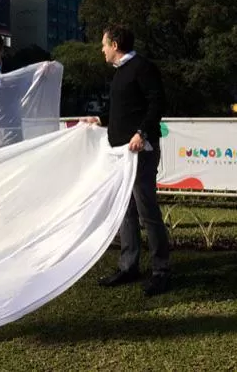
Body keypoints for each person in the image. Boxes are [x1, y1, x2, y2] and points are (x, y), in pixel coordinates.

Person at [82, 24, 170, 297]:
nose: (102, 49)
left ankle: (161, 271)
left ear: (116, 44)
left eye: (104, 44)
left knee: (147, 211)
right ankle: (128, 265)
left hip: (141, 152)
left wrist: (141, 133)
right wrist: (101, 120)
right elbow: (124, 109)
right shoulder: (120, 74)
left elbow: (157, 102)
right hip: (121, 154)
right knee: (125, 210)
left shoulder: (142, 67)